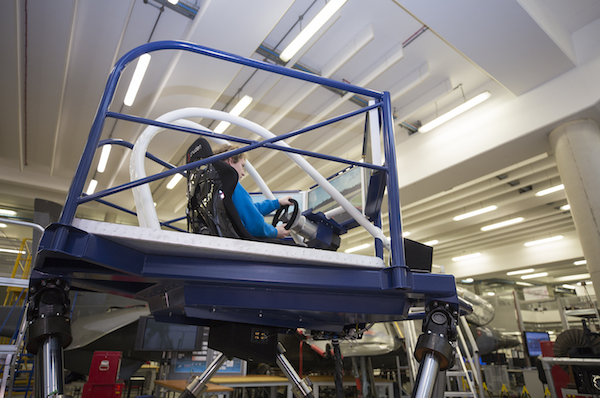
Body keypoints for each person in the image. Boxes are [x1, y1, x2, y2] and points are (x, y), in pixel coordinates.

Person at [213, 144, 293, 239]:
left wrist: (277, 203)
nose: (243, 172)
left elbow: (248, 210)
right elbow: (255, 224)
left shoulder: (215, 184)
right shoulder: (231, 184)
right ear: (231, 161)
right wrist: (275, 232)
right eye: (242, 166)